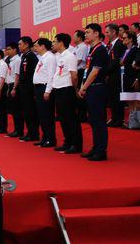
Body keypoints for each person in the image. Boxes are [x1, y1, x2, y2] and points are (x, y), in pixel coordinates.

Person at [79, 23, 109, 161]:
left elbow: (95, 71)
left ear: (96, 33)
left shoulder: (100, 50)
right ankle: (96, 147)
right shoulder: (92, 50)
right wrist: (83, 86)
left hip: (97, 88)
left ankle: (101, 151)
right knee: (93, 120)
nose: (85, 35)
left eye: (88, 32)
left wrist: (84, 87)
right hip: (91, 88)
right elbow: (88, 70)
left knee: (99, 120)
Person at [51, 33, 81, 153]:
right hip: (58, 89)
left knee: (70, 118)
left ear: (61, 43)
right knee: (62, 118)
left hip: (67, 89)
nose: (53, 44)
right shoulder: (59, 56)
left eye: (55, 41)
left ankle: (75, 144)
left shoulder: (70, 56)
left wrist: (75, 89)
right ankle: (67, 142)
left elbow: (74, 76)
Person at [32, 39, 56, 147]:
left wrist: (47, 91)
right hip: (38, 88)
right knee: (41, 115)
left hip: (45, 88)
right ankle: (45, 137)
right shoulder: (42, 57)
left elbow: (51, 75)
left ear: (43, 46)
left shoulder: (50, 57)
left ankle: (50, 139)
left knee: (47, 115)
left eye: (36, 46)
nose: (35, 48)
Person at [119, 29, 140, 125]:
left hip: (133, 77)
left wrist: (137, 78)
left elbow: (138, 65)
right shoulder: (125, 50)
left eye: (124, 38)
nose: (122, 39)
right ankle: (132, 121)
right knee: (129, 99)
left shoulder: (136, 49)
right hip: (125, 77)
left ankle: (138, 122)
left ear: (131, 39)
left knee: (136, 100)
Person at [104, 23, 124, 127]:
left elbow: (116, 61)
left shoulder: (120, 44)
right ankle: (114, 118)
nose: (106, 34)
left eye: (107, 32)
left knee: (117, 97)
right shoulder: (109, 45)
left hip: (116, 75)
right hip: (109, 75)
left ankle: (119, 119)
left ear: (114, 32)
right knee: (111, 98)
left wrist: (105, 71)